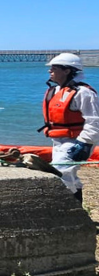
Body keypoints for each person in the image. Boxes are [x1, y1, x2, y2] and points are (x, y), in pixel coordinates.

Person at [39, 53, 98, 203]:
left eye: (54, 68)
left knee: (60, 173)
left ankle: (66, 209)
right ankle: (78, 210)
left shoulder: (84, 93)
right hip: (57, 140)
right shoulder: (55, 91)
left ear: (67, 70)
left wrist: (84, 143)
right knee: (70, 176)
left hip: (76, 141)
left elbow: (94, 120)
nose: (49, 71)